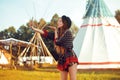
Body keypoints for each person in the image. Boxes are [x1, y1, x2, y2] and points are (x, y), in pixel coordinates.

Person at [29, 15, 78, 80]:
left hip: (70, 57)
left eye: (60, 21)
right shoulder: (57, 34)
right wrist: (34, 29)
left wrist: (55, 31)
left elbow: (57, 42)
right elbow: (45, 33)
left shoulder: (68, 33)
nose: (58, 22)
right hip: (62, 59)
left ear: (64, 23)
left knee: (73, 79)